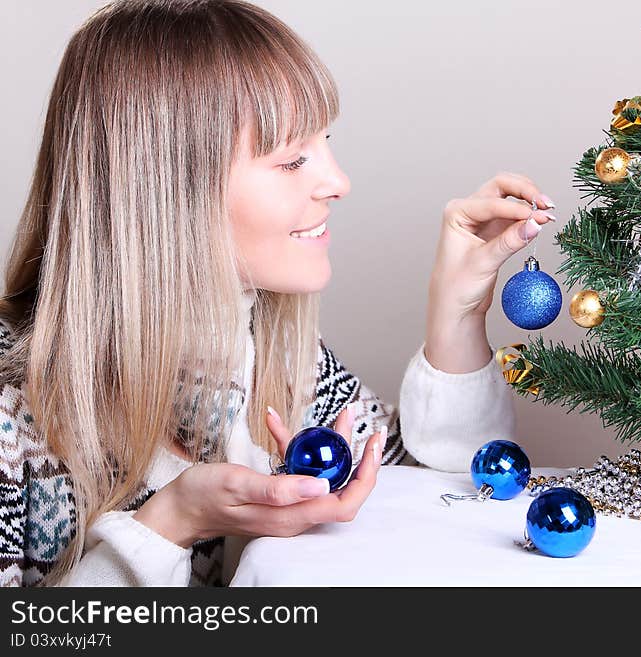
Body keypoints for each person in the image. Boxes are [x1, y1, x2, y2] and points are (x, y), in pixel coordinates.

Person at [0, 0, 556, 587]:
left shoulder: (276, 353)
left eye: (325, 142)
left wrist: (457, 309)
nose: (338, 181)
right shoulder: (13, 417)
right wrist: (169, 522)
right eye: (292, 160)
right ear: (166, 195)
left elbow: (439, 487)